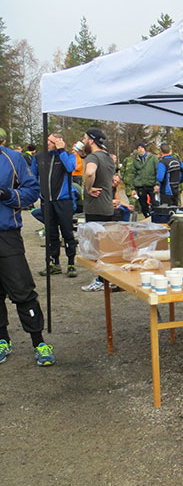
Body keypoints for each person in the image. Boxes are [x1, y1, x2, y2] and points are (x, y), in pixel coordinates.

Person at [0, 127, 55, 366]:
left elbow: (32, 190)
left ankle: (39, 342)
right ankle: (2, 340)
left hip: (6, 234)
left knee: (22, 290)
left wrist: (7, 194)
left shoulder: (13, 158)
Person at [31, 133, 78, 278]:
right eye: (48, 140)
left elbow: (71, 168)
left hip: (63, 200)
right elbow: (32, 176)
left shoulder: (68, 155)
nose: (48, 143)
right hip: (46, 201)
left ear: (59, 142)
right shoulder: (39, 157)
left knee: (67, 233)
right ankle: (54, 263)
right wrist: (38, 192)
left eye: (52, 141)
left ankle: (71, 263)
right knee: (51, 234)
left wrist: (61, 151)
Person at [80, 128, 116, 292]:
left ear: (91, 141)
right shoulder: (108, 157)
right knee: (106, 245)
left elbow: (89, 173)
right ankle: (108, 278)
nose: (83, 140)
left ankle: (102, 280)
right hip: (107, 205)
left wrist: (89, 187)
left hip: (95, 206)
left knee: (97, 246)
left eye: (85, 138)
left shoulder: (93, 157)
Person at [130, 142, 158, 218]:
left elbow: (157, 171)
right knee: (143, 205)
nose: (140, 150)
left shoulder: (153, 158)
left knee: (155, 203)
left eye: (141, 148)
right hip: (140, 185)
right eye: (138, 148)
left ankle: (155, 217)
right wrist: (133, 188)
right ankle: (147, 216)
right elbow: (133, 174)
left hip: (151, 184)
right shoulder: (135, 160)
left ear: (144, 149)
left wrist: (157, 184)